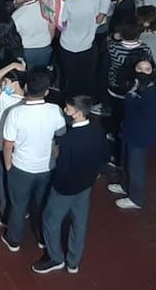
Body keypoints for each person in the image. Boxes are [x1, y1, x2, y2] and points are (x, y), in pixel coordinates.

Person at [32, 95, 108, 275]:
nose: (65, 112)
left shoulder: (67, 140)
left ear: (78, 113)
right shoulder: (97, 130)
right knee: (79, 222)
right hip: (86, 185)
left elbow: (62, 170)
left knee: (50, 221)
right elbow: (105, 156)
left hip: (65, 189)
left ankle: (55, 258)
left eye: (67, 109)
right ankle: (74, 262)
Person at [1, 68, 66, 252]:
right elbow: (60, 138)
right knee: (42, 204)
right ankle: (42, 239)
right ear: (47, 91)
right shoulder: (56, 111)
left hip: (21, 167)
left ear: (27, 86)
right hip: (46, 168)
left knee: (18, 205)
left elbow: (8, 144)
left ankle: (14, 239)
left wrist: (8, 165)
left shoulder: (15, 113)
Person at [109, 56, 156, 209]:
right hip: (128, 130)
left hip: (140, 136)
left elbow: (144, 114)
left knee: (136, 167)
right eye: (139, 69)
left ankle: (136, 198)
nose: (142, 72)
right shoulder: (135, 85)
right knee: (125, 161)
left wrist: (131, 97)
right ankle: (125, 186)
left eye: (146, 69)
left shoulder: (152, 92)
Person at [105, 16, 153, 160]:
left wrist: (115, 36)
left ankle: (113, 133)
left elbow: (109, 42)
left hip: (116, 86)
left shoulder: (114, 47)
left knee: (116, 113)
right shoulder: (144, 48)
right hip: (134, 88)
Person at [0, 60, 26, 227]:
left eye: (6, 82)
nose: (3, 85)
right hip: (20, 150)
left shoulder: (6, 100)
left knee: (1, 182)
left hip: (0, 147)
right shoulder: (28, 101)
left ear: (15, 83)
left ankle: (4, 214)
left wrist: (11, 65)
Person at [57, 0, 98, 98]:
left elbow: (62, 23)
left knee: (71, 78)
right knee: (85, 77)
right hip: (87, 45)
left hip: (68, 45)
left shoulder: (69, 3)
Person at [84, 0, 112, 114]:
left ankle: (96, 99)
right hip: (85, 31)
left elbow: (100, 17)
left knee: (96, 67)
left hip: (97, 33)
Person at [12, 0, 54, 70]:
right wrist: (47, 41)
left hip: (27, 50)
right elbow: (52, 26)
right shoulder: (46, 6)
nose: (14, 0)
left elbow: (14, 37)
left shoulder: (16, 15)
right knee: (42, 74)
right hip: (45, 47)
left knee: (27, 74)